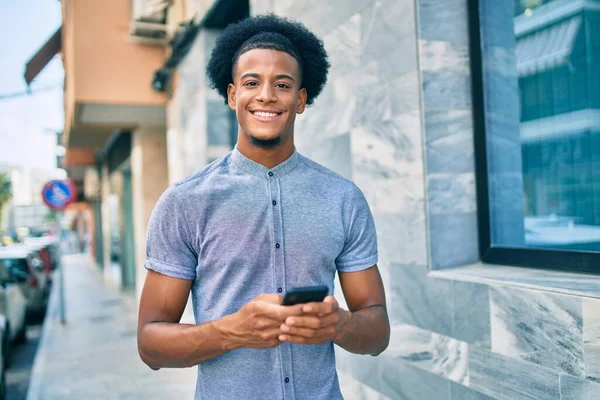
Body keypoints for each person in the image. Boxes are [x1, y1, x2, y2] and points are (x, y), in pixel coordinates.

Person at [137, 14, 390, 400]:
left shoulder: (343, 198)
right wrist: (231, 330)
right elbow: (150, 345)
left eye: (283, 85)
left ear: (301, 99)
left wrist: (338, 325)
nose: (267, 96)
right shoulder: (185, 202)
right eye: (252, 83)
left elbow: (377, 332)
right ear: (231, 95)